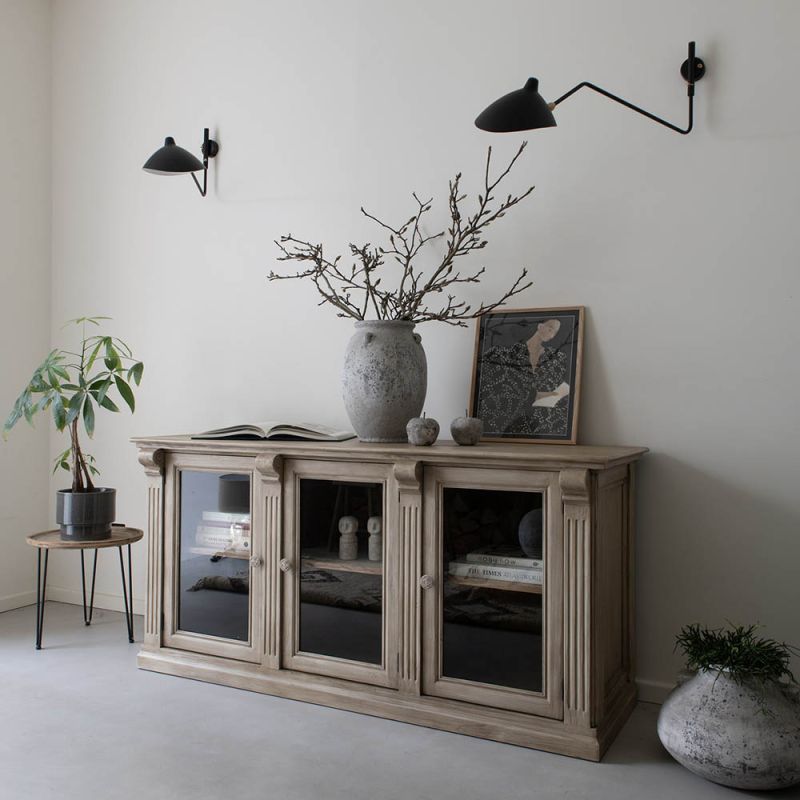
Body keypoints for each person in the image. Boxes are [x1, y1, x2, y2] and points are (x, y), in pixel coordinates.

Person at [477, 317, 571, 437]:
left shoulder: (555, 358)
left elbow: (557, 389)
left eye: (555, 332)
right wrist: (536, 395)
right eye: (550, 329)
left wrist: (551, 395)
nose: (552, 335)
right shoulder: (505, 354)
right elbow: (489, 388)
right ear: (540, 326)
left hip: (539, 416)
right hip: (508, 415)